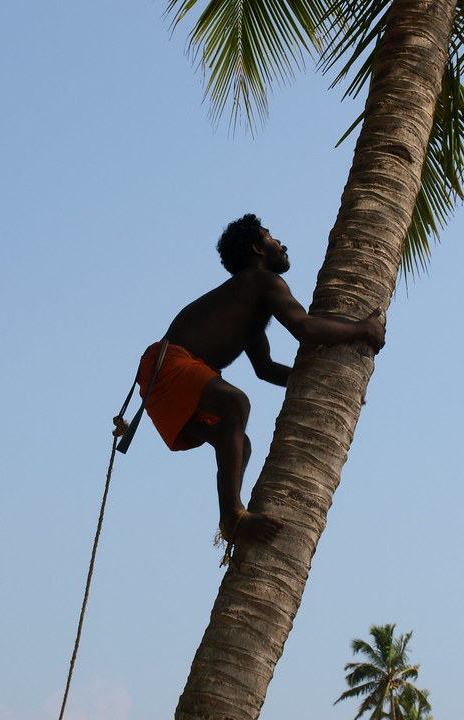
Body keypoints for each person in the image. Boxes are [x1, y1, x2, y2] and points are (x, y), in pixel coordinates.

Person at [136, 214, 385, 552]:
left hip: (159, 377)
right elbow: (305, 328)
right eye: (272, 237)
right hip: (170, 364)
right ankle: (233, 518)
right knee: (235, 403)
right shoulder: (262, 282)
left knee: (240, 442)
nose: (281, 244)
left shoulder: (249, 300)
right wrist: (362, 330)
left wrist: (329, 385)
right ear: (257, 248)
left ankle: (235, 516)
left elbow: (265, 368)